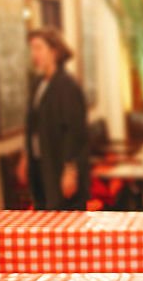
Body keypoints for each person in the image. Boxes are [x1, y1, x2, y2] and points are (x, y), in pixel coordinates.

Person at [18, 27, 90, 210]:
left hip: (59, 163)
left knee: (63, 218)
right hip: (40, 161)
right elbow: (33, 124)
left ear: (54, 51)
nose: (34, 54)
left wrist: (70, 169)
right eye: (32, 49)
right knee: (43, 213)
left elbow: (75, 131)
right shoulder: (38, 83)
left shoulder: (67, 85)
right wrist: (26, 155)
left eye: (39, 48)